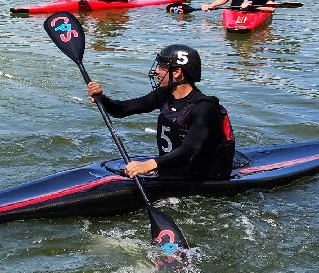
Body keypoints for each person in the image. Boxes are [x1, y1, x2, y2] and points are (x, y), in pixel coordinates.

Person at [86, 45, 235, 180]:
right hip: (170, 169)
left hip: (200, 177)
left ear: (177, 72)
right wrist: (102, 99)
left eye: (162, 66)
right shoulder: (164, 95)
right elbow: (123, 109)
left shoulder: (204, 108)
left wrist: (148, 165)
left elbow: (189, 150)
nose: (157, 70)